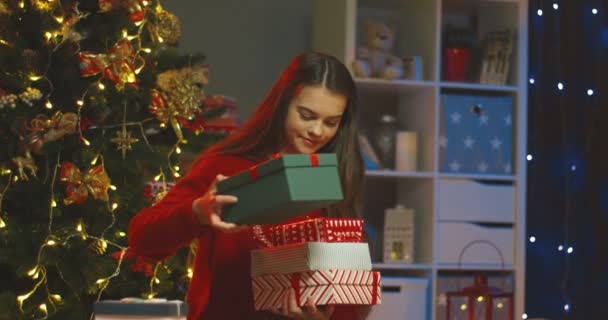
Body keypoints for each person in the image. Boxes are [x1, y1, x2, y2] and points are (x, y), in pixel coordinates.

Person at [128, 52, 369, 320]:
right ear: (282, 104)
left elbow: (351, 295)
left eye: (331, 122)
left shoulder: (335, 175)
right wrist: (197, 212)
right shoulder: (226, 166)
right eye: (306, 115)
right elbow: (142, 238)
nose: (317, 131)